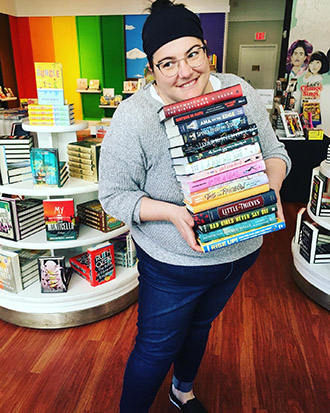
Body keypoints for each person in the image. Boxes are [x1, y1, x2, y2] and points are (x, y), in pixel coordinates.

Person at [99, 1, 291, 411]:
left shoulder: (236, 90)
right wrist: (173, 212)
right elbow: (113, 194)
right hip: (175, 263)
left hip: (240, 251)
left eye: (192, 54)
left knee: (200, 326)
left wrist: (271, 186)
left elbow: (275, 151)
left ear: (207, 51)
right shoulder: (134, 117)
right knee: (154, 350)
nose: (184, 72)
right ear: (152, 68)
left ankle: (182, 391)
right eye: (167, 63)